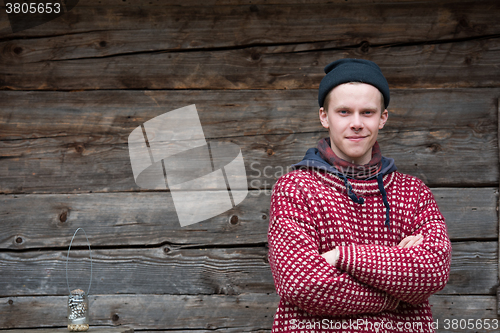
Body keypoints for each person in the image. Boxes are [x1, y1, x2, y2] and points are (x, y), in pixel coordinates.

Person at [267, 58, 451, 333]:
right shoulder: (296, 188)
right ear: (324, 117)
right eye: (344, 112)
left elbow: (433, 271)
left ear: (382, 118)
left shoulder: (413, 193)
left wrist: (342, 256)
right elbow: (302, 283)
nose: (356, 123)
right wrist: (395, 294)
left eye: (367, 112)